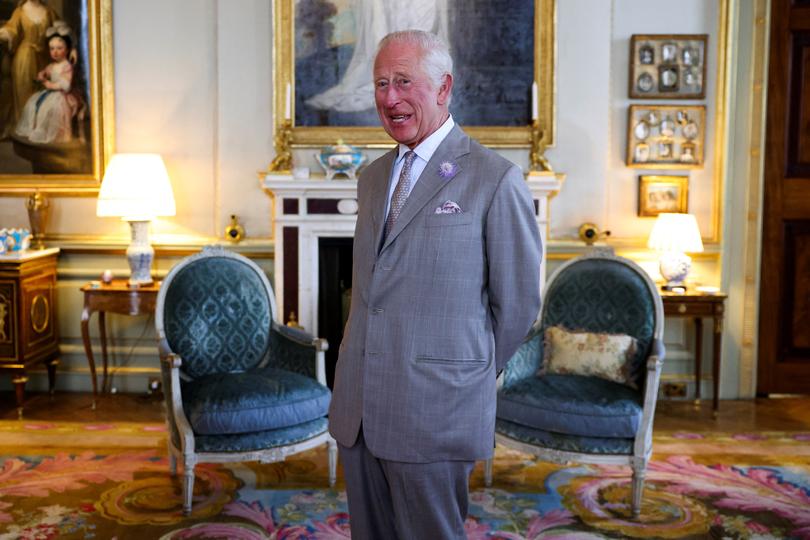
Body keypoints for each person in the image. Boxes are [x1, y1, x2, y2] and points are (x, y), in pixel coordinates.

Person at [328, 30, 541, 539]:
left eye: (404, 81)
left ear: (444, 88)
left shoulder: (495, 179)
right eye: (381, 83)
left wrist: (463, 374)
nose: (389, 97)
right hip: (359, 405)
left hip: (435, 407)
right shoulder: (372, 177)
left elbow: (517, 305)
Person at [0, 0, 65, 128]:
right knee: (26, 97)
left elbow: (61, 33)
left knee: (43, 97)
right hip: (24, 62)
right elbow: (11, 30)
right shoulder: (20, 12)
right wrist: (6, 33)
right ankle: (26, 130)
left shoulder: (49, 12)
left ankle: (40, 131)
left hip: (44, 61)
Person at [14, 24, 80, 144]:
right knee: (33, 103)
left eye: (59, 48)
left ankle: (50, 133)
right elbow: (46, 72)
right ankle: (35, 129)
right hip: (49, 93)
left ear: (68, 49)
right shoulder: (52, 65)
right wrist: (42, 75)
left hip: (62, 95)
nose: (55, 52)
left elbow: (65, 86)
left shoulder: (67, 66)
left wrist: (48, 83)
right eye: (52, 48)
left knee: (51, 108)